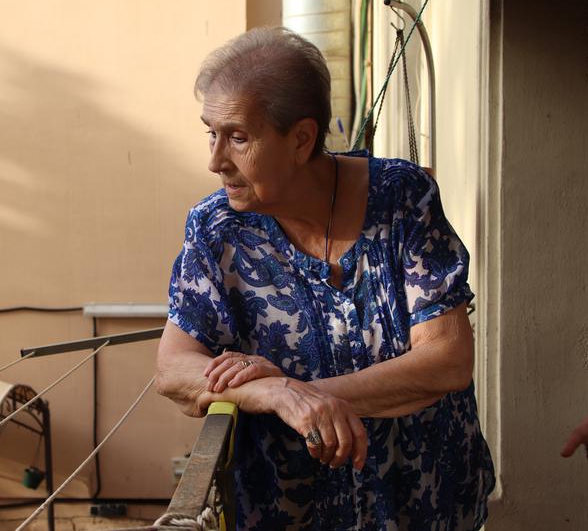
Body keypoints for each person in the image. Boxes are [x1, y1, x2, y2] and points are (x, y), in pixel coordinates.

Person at [155, 27, 495, 530]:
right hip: (292, 511)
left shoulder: (401, 199)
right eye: (211, 132)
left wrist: (307, 392)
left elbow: (446, 360)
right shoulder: (217, 228)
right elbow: (173, 370)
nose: (215, 160)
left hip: (424, 505)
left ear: (301, 139)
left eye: (239, 137)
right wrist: (275, 395)